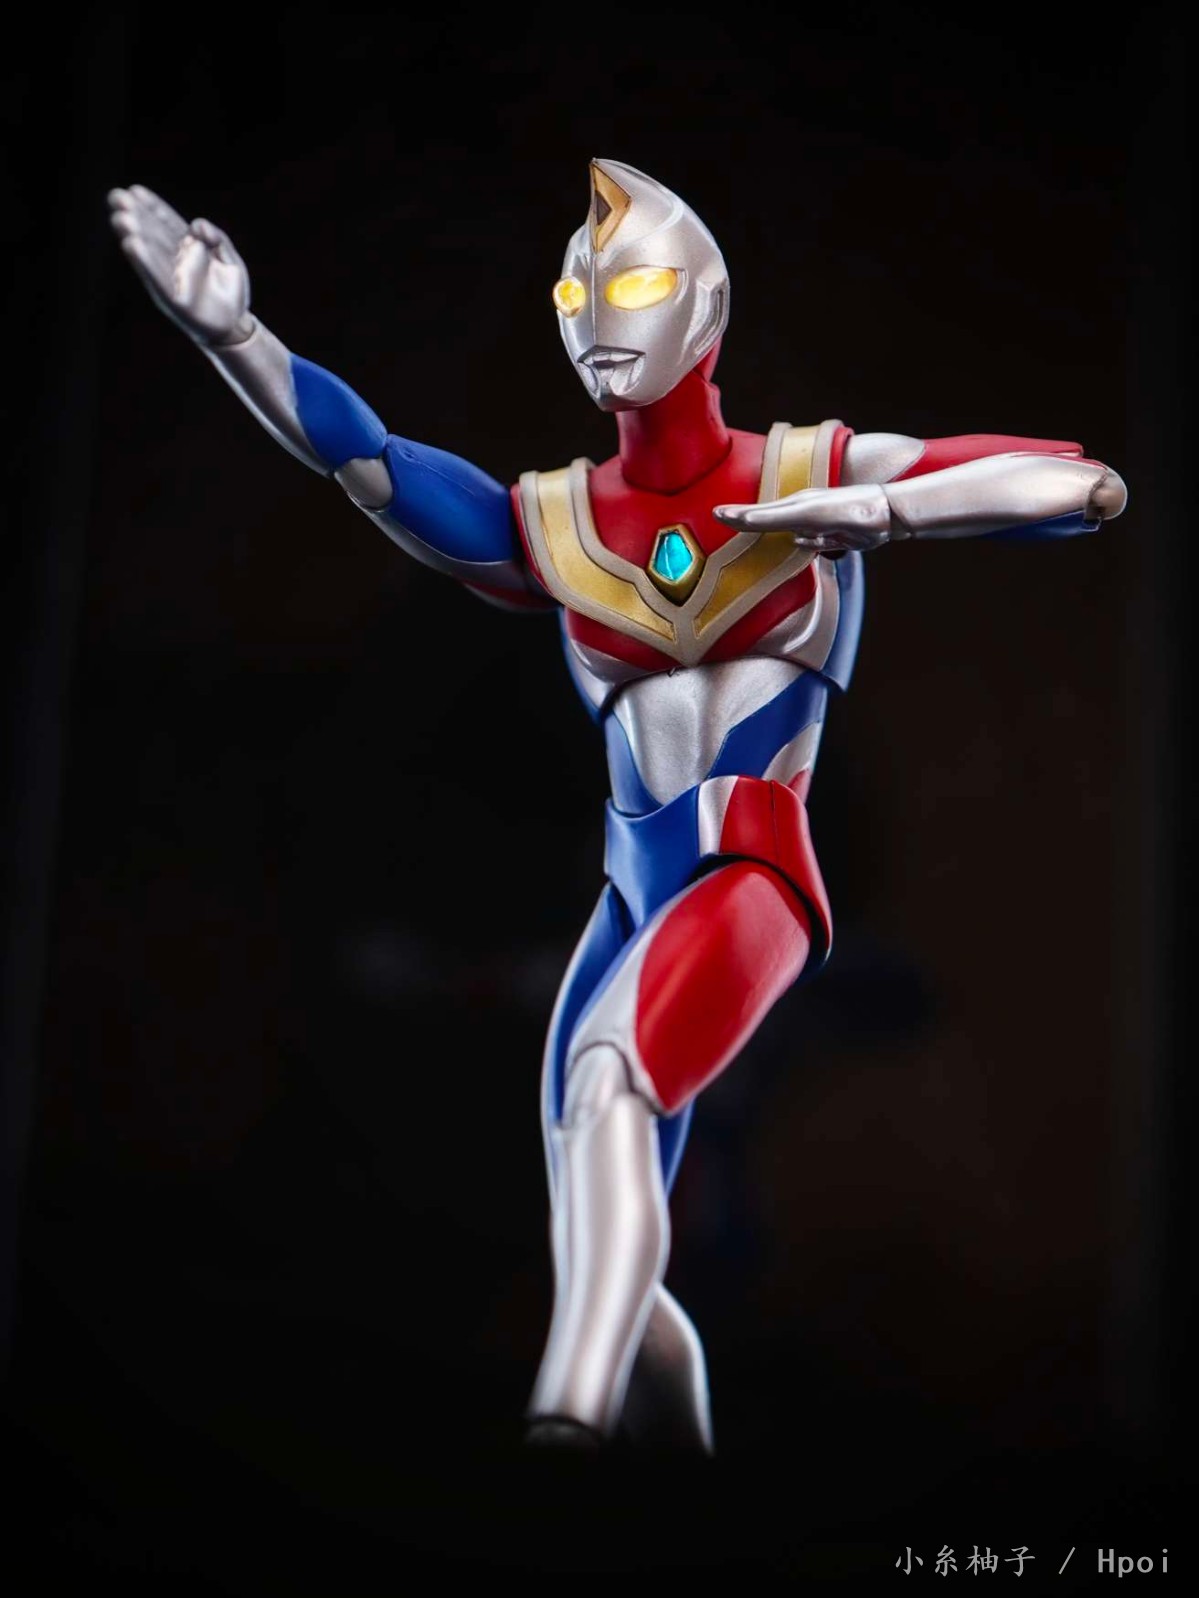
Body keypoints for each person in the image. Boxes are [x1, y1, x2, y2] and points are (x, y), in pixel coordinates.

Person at [109, 159, 1127, 1451]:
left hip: (750, 872)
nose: (597, 319)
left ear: (707, 308)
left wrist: (884, 510)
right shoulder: (558, 521)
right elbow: (366, 464)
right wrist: (238, 338)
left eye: (634, 287)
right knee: (609, 1255)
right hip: (626, 901)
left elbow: (1080, 488)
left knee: (608, 1089)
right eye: (573, 296)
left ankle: (565, 1428)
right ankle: (670, 1461)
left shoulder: (807, 470)